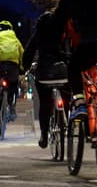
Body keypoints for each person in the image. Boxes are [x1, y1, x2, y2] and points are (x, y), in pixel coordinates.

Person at [23, 9, 71, 149]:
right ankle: (66, 119)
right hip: (63, 72)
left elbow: (28, 53)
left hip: (44, 73)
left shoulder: (38, 34)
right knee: (67, 97)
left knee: (45, 103)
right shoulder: (62, 33)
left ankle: (44, 134)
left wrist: (25, 68)